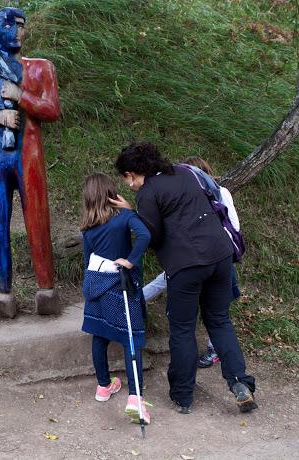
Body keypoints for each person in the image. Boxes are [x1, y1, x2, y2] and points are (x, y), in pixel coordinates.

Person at [112, 143, 257, 414]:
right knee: (219, 321)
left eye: (126, 178)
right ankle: (240, 382)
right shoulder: (185, 172)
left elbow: (152, 236)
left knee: (182, 329)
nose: (128, 184)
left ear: (132, 173)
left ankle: (183, 396)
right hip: (221, 256)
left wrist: (132, 214)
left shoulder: (147, 192)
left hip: (186, 265)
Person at [0, 7, 61, 318]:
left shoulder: (41, 68)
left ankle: (46, 290)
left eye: (22, 26)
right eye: (12, 25)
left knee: (38, 219)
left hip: (29, 155)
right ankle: (3, 293)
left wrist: (20, 96)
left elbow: (51, 110)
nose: (19, 31)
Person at [142, 156, 242, 369]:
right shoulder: (192, 192)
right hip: (205, 255)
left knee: (211, 315)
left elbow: (233, 224)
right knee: (217, 316)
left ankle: (209, 355)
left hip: (204, 256)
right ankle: (237, 377)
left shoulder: (218, 192)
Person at [80, 173, 152, 424]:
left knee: (99, 336)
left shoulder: (88, 231)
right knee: (130, 339)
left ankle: (103, 386)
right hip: (120, 288)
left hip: (96, 287)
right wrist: (131, 260)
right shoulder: (124, 219)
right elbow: (145, 235)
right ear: (112, 194)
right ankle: (135, 398)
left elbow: (87, 262)